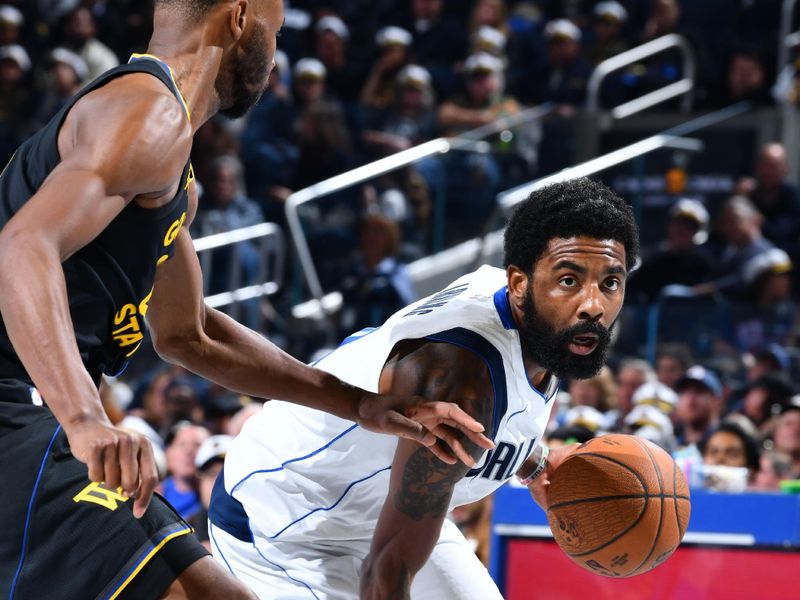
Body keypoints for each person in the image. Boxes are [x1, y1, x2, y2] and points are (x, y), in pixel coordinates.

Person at [0, 1, 491, 598]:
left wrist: (361, 406)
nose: (276, 54)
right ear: (237, 19)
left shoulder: (168, 162)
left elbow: (189, 334)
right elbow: (23, 245)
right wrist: (84, 419)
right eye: (275, 31)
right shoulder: (150, 114)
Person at [209, 178, 640, 598]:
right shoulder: (459, 376)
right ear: (519, 283)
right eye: (569, 280)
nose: (593, 304)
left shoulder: (544, 326)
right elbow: (386, 571)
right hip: (285, 523)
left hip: (380, 514)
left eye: (610, 283)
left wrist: (531, 463)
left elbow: (502, 405)